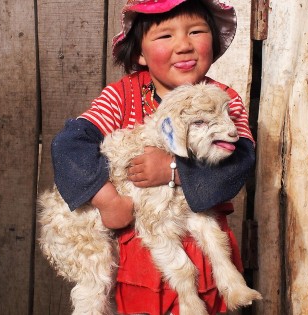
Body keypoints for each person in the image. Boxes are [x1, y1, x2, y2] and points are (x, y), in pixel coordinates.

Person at [50, 0, 255, 314]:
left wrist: (173, 169)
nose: (184, 45)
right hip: (137, 245)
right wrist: (107, 201)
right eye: (165, 36)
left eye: (196, 32)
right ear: (140, 53)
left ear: (212, 43)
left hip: (201, 239)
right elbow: (71, 144)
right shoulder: (121, 96)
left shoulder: (223, 101)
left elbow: (239, 163)